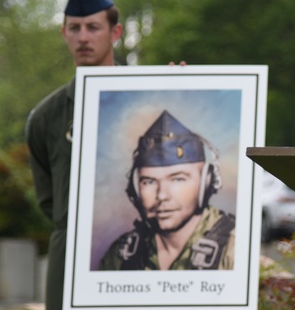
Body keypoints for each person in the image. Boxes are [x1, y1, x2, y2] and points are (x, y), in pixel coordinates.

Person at [25, 0, 180, 310]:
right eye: (74, 28)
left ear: (115, 32)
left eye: (93, 27)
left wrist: (182, 90)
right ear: (64, 34)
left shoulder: (151, 99)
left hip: (138, 270)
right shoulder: (47, 118)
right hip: (72, 268)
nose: (83, 37)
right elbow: (52, 202)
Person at [98, 109, 235, 271]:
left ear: (206, 183)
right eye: (149, 182)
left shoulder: (236, 249)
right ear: (135, 190)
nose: (162, 195)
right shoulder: (122, 255)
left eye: (177, 179)